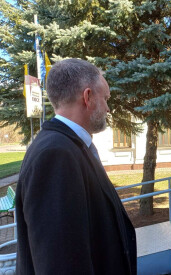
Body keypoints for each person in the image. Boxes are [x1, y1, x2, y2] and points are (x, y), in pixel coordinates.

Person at [16, 59, 137, 274]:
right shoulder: (56, 155)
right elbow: (61, 264)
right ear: (88, 97)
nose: (108, 108)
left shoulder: (70, 146)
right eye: (106, 98)